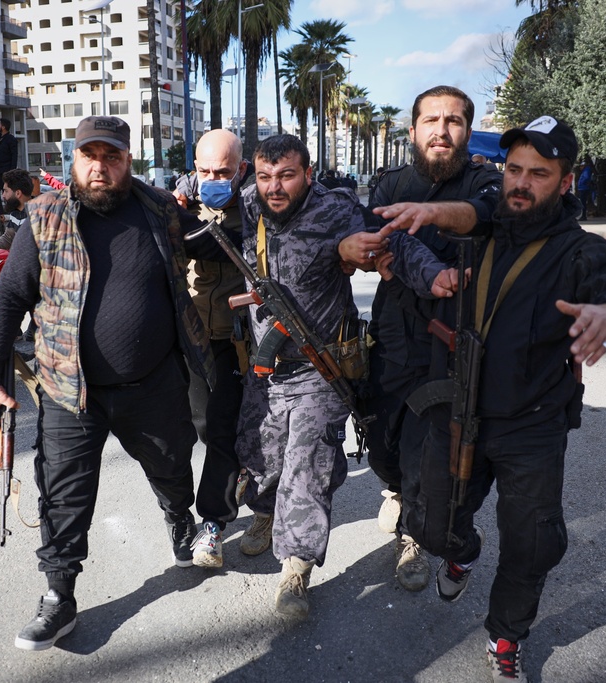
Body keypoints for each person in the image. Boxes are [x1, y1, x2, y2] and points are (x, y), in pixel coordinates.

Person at [403, 116, 606, 682]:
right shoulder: (479, 227)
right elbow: (455, 219)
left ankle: (506, 635)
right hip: (457, 409)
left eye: (538, 174)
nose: (520, 183)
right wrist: (428, 219)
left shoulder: (580, 251)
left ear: (564, 183)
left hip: (532, 424)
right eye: (514, 169)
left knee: (533, 543)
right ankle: (463, 552)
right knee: (431, 527)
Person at [0, 115, 230, 651]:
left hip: (153, 384)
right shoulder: (43, 217)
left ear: (128, 160)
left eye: (111, 156)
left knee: (172, 468)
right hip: (70, 391)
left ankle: (179, 519)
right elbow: (8, 300)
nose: (100, 167)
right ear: (73, 159)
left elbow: (217, 244)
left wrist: (265, 207)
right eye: (89, 155)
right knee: (63, 495)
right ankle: (59, 595)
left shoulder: (161, 209)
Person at [234, 134, 456, 618]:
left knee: (307, 467)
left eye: (287, 176)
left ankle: (296, 567)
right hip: (265, 369)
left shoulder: (335, 210)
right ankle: (265, 514)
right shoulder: (249, 202)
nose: (274, 187)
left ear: (308, 174)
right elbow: (202, 191)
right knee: (261, 457)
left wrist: (432, 275)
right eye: (265, 176)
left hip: (320, 368)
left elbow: (393, 241)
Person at [337, 85, 503, 592]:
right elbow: (381, 245)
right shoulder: (390, 183)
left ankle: (414, 533)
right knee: (382, 445)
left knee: (427, 456)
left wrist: (432, 217)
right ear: (413, 131)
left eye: (453, 121)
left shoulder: (485, 183)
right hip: (393, 335)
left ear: (467, 131)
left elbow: (482, 215)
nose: (441, 130)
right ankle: (398, 493)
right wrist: (389, 260)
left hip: (452, 345)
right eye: (431, 120)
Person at [172, 128, 252, 569]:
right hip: (189, 337)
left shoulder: (258, 205)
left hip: (235, 342)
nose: (213, 179)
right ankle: (232, 475)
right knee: (197, 426)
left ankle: (213, 523)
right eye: (205, 171)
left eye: (223, 172)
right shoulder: (181, 204)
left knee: (221, 428)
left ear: (242, 168)